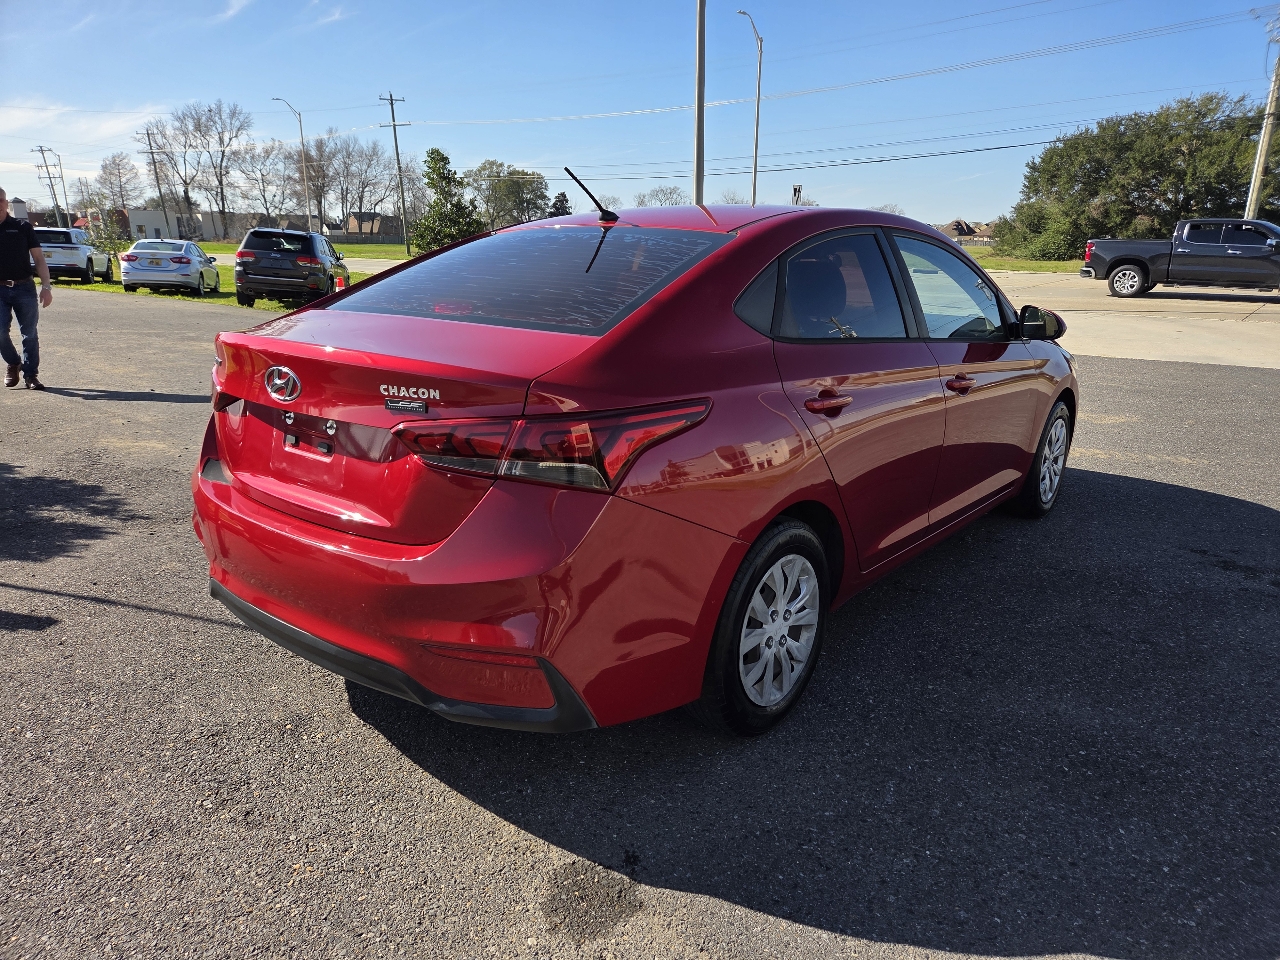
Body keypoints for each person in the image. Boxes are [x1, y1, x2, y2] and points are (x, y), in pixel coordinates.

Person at [0, 186, 51, 390]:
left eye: (1, 200)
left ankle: (31, 375)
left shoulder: (22, 227)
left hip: (24, 288)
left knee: (29, 333)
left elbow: (39, 258)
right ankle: (13, 362)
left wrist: (46, 286)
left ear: (6, 203)